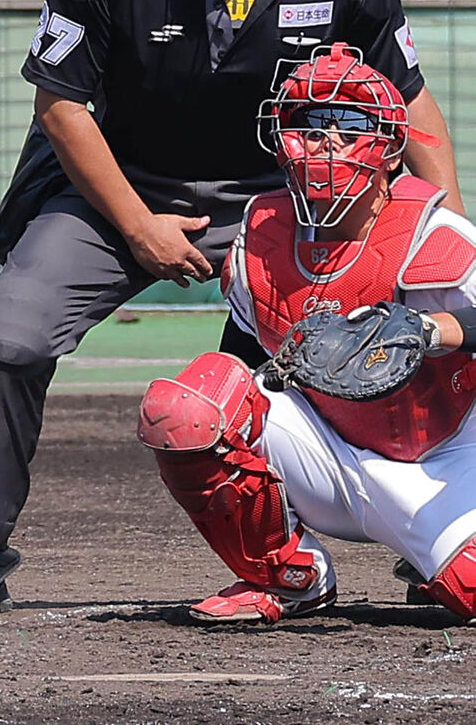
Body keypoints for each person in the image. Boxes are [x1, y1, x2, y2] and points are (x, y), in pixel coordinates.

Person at [0, 0, 463, 621]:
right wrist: (136, 225)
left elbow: (407, 102)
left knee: (405, 328)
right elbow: (60, 106)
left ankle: (419, 530)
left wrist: (445, 232)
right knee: (3, 337)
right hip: (120, 186)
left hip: (290, 203)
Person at [137, 43, 476, 623]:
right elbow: (240, 365)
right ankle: (290, 575)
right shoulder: (261, 231)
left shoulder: (431, 230)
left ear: (392, 149)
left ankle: (434, 560)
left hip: (442, 458)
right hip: (326, 446)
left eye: (348, 124)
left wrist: (426, 329)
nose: (327, 140)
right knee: (187, 407)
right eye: (310, 123)